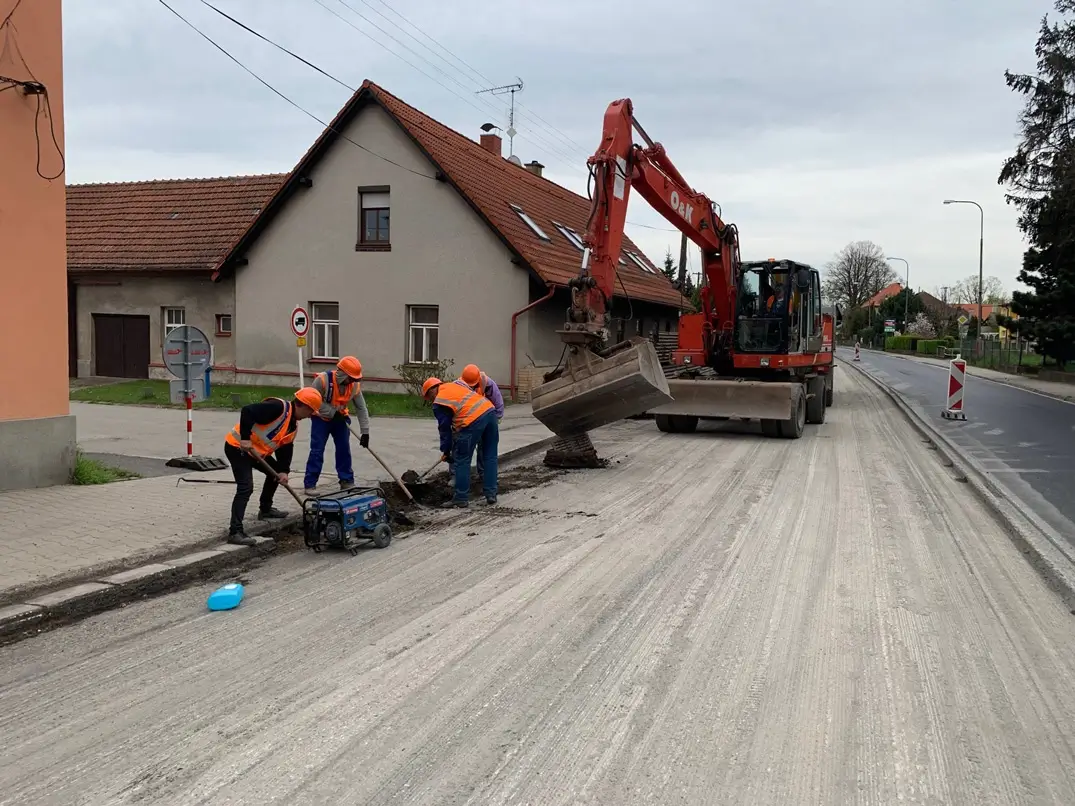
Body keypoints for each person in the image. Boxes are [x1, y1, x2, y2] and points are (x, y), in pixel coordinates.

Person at [223, 387, 322, 545]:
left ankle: (266, 509)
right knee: (245, 487)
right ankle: (235, 532)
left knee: (275, 474)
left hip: (256, 453)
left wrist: (283, 471)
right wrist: (245, 438)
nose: (310, 416)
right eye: (311, 412)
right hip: (238, 448)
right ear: (303, 405)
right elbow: (247, 411)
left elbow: (285, 448)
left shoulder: (292, 425)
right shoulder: (278, 408)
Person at [422, 375, 499, 508]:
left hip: (473, 421)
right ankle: (491, 494)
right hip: (490, 413)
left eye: (429, 397)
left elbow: (444, 429)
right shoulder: (455, 386)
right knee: (490, 456)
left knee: (462, 459)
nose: (431, 400)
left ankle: (461, 498)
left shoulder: (439, 402)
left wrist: (446, 450)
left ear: (432, 390)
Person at [303, 355, 371, 494]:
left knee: (343, 450)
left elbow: (361, 408)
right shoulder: (322, 380)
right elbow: (311, 400)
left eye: (354, 378)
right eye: (350, 378)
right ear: (342, 374)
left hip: (341, 420)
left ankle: (346, 480)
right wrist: (331, 412)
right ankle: (310, 484)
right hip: (321, 419)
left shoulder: (354, 386)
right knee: (317, 450)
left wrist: (365, 432)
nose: (352, 381)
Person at [457, 363, 504, 483]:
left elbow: (498, 403)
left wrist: (496, 420)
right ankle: (456, 475)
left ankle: (483, 474)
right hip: (468, 420)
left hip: (486, 418)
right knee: (460, 446)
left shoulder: (488, 385)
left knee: (485, 447)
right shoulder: (460, 386)